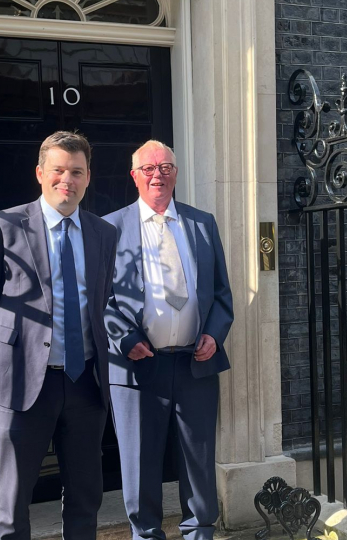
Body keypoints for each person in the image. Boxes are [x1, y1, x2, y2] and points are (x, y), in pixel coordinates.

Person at [0, 131, 117, 540]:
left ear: (88, 178)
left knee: (86, 496)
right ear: (40, 173)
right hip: (21, 382)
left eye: (77, 172)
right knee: (13, 502)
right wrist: (16, 345)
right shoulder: (4, 224)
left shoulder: (103, 233)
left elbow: (102, 301)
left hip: (85, 384)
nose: (68, 179)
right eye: (59, 170)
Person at [103, 140, 233, 540]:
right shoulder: (109, 228)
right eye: (148, 168)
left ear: (176, 173)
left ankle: (200, 532)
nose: (158, 174)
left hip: (194, 365)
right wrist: (124, 338)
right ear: (134, 176)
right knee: (140, 468)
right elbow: (98, 299)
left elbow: (222, 294)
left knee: (198, 461)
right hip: (139, 368)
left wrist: (213, 331)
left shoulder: (202, 223)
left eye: (166, 167)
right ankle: (146, 535)